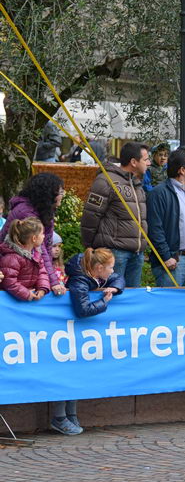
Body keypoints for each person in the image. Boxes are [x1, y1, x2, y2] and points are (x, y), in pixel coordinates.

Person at [57, 246, 125, 434]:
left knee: (77, 372)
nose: (113, 270)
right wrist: (104, 302)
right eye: (110, 267)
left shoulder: (98, 273)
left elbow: (118, 277)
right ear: (99, 268)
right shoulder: (79, 281)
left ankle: (71, 413)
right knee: (65, 372)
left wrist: (115, 288)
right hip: (67, 332)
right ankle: (60, 416)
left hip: (83, 334)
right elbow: (83, 310)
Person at [81, 141, 150, 286]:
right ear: (133, 162)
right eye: (145, 159)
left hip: (137, 253)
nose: (149, 163)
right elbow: (91, 214)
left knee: (132, 296)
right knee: (111, 293)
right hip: (115, 252)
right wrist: (89, 245)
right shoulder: (106, 180)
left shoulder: (136, 183)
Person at [147, 148, 185, 287]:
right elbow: (155, 229)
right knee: (170, 300)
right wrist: (166, 257)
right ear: (182, 170)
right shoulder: (159, 193)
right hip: (173, 261)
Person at [0, 172, 66, 296]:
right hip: (17, 275)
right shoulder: (26, 212)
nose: (62, 195)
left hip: (29, 273)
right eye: (60, 192)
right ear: (48, 194)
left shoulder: (44, 209)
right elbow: (42, 249)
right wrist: (53, 282)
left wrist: (44, 286)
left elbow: (46, 246)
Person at [0, 217, 51, 301]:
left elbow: (42, 273)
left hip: (28, 296)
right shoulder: (12, 258)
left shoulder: (37, 254)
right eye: (42, 233)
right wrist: (26, 294)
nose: (44, 236)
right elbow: (9, 281)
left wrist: (42, 288)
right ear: (34, 238)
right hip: (11, 300)